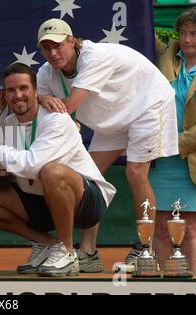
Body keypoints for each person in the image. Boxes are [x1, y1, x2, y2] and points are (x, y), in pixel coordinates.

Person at [36, 18, 178, 272]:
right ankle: (88, 252)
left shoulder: (94, 57)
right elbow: (45, 105)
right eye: (46, 48)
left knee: (135, 173)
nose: (53, 53)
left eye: (58, 45)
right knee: (90, 177)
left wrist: (45, 99)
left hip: (148, 103)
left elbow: (69, 106)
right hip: (113, 117)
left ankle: (145, 249)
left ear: (71, 41)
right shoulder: (46, 73)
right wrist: (42, 96)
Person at [0, 62, 116, 277]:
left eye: (23, 88)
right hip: (40, 201)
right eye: (11, 90)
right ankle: (46, 243)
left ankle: (67, 252)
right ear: (5, 96)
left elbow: (32, 165)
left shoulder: (56, 119)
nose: (17, 95)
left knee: (51, 171)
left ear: (36, 91)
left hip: (86, 202)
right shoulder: (7, 122)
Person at [151, 7, 196, 271]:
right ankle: (165, 283)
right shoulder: (167, 53)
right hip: (160, 161)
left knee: (189, 229)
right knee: (159, 228)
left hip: (189, 160)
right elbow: (138, 28)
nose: (187, 39)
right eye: (183, 33)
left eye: (194, 34)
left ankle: (191, 283)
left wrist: (172, 143)